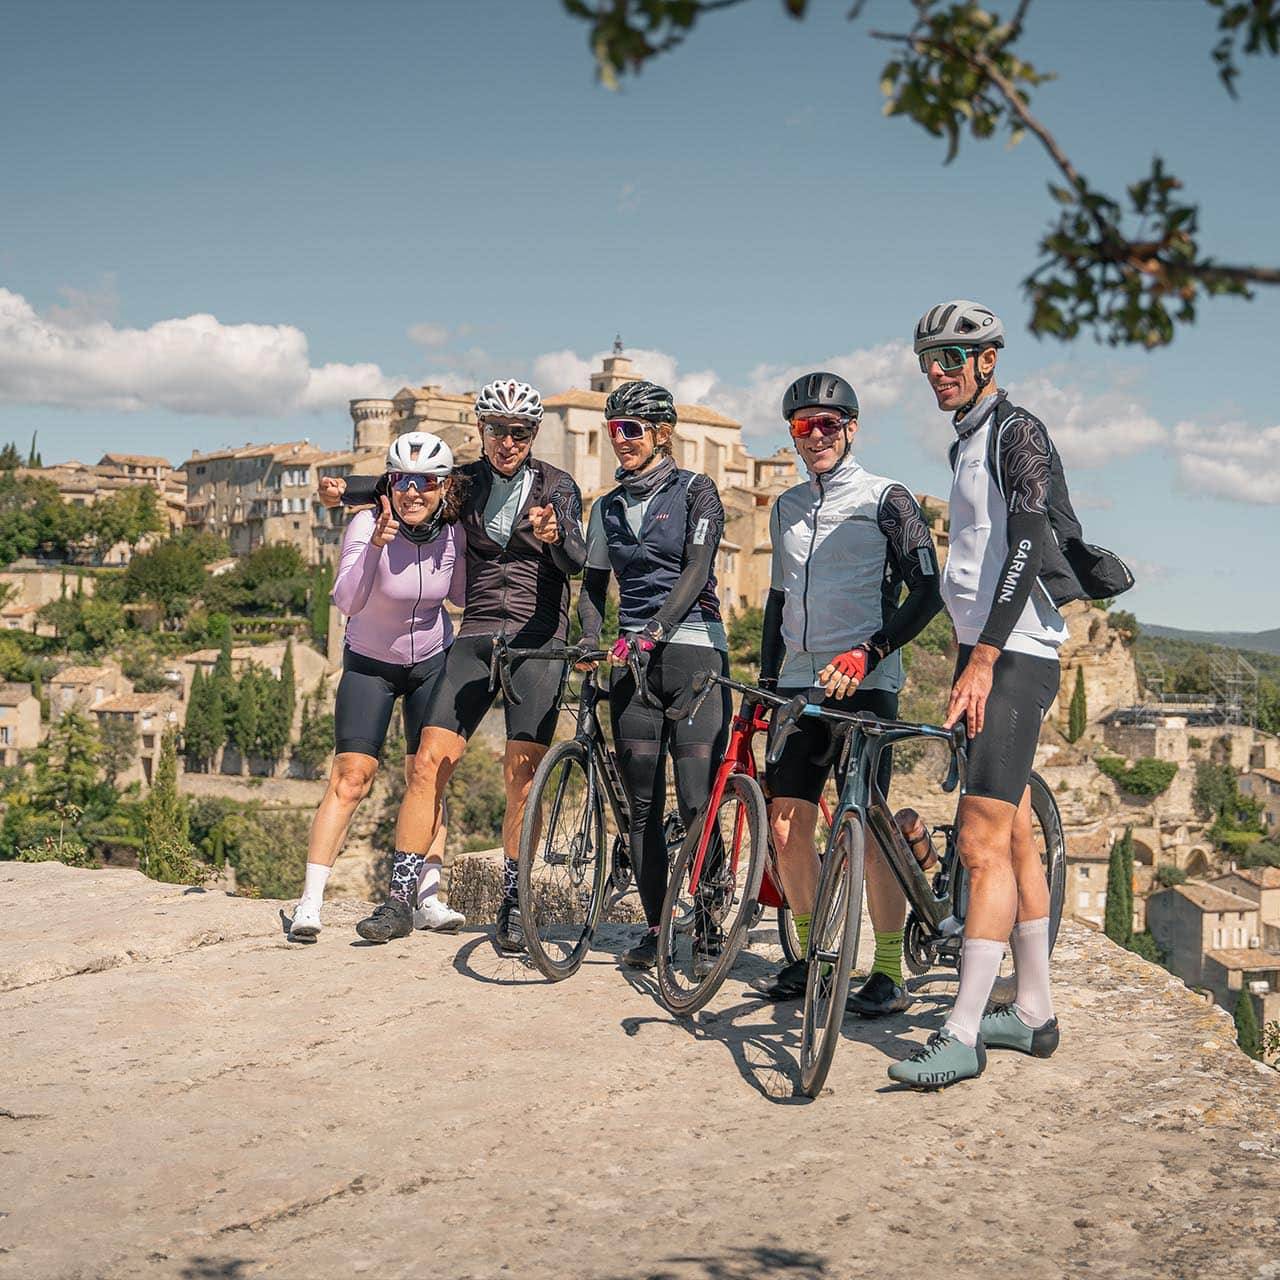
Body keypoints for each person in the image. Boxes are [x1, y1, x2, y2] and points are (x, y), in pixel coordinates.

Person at [318, 379, 586, 950]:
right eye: (496, 430)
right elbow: (400, 487)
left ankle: (516, 905)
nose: (507, 441)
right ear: (482, 430)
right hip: (478, 633)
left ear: (532, 435)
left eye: (518, 432)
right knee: (426, 765)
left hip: (540, 639)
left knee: (521, 777)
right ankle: (398, 900)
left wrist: (555, 534)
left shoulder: (558, 486)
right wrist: (342, 492)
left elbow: (579, 559)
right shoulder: (463, 484)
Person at [889, 300, 1067, 1088]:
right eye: (928, 359)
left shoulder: (1013, 431)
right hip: (988, 653)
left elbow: (1027, 535)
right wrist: (968, 653)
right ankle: (1033, 1012)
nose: (937, 371)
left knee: (978, 842)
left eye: (952, 358)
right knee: (1018, 835)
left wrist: (987, 654)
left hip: (1017, 654)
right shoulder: (968, 440)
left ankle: (962, 1032)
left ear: (988, 360)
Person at [748, 372, 943, 1007]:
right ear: (792, 435)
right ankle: (811, 958)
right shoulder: (785, 508)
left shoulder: (888, 499)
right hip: (801, 681)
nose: (816, 435)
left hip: (867, 679)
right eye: (804, 426)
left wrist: (871, 651)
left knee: (867, 821)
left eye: (829, 423)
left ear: (851, 428)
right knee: (784, 826)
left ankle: (887, 970)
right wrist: (768, 681)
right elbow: (777, 600)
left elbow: (929, 589)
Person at [577, 379, 732, 973]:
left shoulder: (698, 492)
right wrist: (592, 640)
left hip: (694, 652)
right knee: (640, 807)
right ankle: (656, 924)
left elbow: (697, 569)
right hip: (633, 665)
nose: (621, 441)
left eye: (631, 430)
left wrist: (659, 628)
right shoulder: (606, 508)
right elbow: (593, 586)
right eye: (613, 430)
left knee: (696, 801)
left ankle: (713, 918)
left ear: (662, 433)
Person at [289, 431, 466, 942]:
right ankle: (310, 903)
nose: (414, 492)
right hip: (370, 663)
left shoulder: (451, 533)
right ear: (389, 483)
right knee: (351, 776)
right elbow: (346, 600)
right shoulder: (366, 522)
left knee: (429, 778)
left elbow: (458, 593)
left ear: (443, 487)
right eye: (404, 481)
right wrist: (376, 547)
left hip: (432, 661)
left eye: (426, 482)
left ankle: (428, 898)